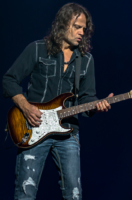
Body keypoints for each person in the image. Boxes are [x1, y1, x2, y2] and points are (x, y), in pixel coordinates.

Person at [2, 3, 113, 199]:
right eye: (76, 26)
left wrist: (97, 105)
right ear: (62, 25)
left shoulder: (86, 60)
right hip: (33, 127)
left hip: (68, 132)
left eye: (84, 29)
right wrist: (26, 107)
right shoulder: (37, 49)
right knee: (25, 193)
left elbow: (87, 98)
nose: (81, 32)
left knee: (74, 194)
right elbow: (9, 80)